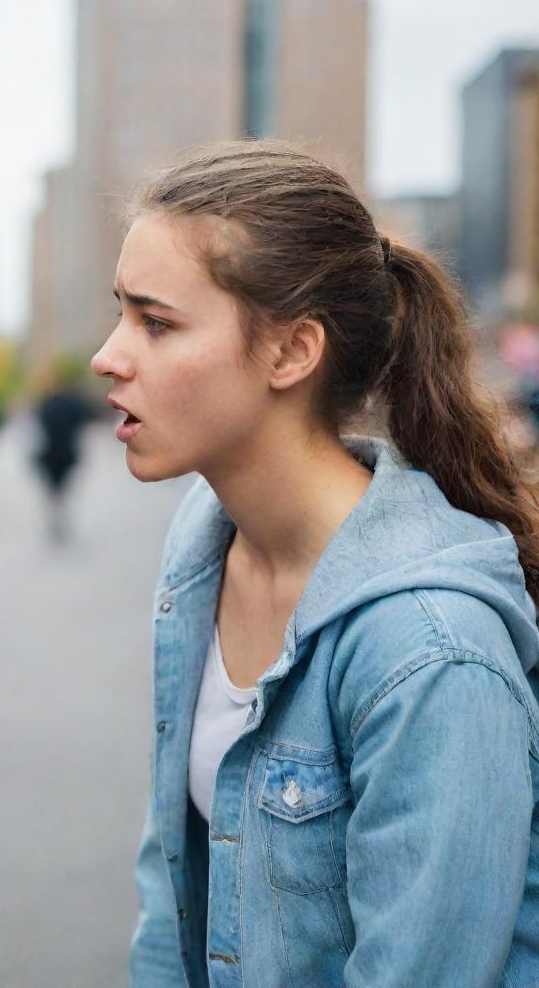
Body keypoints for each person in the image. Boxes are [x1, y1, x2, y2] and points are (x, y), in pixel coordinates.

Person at [90, 141, 539, 987]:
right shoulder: (205, 538)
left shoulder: (430, 651)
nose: (109, 355)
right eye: (120, 312)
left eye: (156, 322)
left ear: (292, 353)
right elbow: (173, 883)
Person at [33, 378, 94, 541]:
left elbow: (39, 424)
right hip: (67, 452)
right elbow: (83, 421)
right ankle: (59, 512)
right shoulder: (72, 404)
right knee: (62, 489)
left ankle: (56, 512)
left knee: (54, 489)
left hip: (50, 452)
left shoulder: (47, 404)